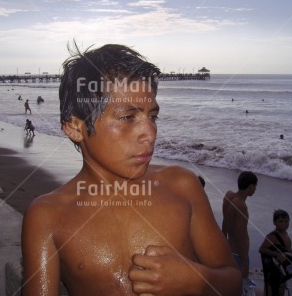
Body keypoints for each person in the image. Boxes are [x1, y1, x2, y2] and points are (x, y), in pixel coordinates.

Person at [21, 44, 241, 295]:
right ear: (75, 127)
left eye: (153, 117)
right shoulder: (48, 216)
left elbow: (233, 281)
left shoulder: (182, 186)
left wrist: (196, 280)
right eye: (127, 117)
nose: (150, 133)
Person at [222, 171, 258, 283]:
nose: (255, 189)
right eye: (255, 186)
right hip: (238, 253)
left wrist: (223, 245)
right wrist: (245, 264)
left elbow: (225, 223)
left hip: (228, 248)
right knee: (237, 287)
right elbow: (240, 237)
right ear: (250, 186)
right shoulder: (241, 206)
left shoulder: (228, 195)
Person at [259, 210, 292, 296]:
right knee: (271, 290)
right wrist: (276, 254)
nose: (284, 224)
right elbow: (262, 249)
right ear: (274, 222)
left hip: (281, 270)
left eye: (286, 221)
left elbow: (286, 249)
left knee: (281, 289)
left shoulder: (286, 234)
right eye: (280, 221)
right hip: (273, 271)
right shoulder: (272, 236)